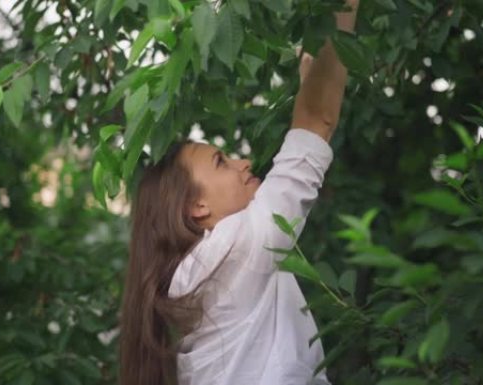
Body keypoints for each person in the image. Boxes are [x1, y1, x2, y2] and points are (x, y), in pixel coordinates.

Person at [119, 1, 359, 384]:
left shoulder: (197, 276)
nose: (243, 163)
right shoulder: (234, 247)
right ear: (195, 207)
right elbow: (318, 120)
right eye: (221, 162)